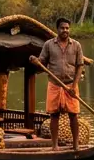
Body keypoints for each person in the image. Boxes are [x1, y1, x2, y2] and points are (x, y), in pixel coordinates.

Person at [36, 17, 84, 151]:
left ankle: (76, 145)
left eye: (67, 28)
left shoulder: (76, 45)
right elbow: (42, 62)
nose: (65, 30)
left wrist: (74, 85)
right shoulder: (49, 45)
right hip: (54, 84)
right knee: (54, 115)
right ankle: (54, 145)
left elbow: (80, 66)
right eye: (62, 28)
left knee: (74, 114)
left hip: (70, 85)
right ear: (57, 29)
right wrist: (36, 61)